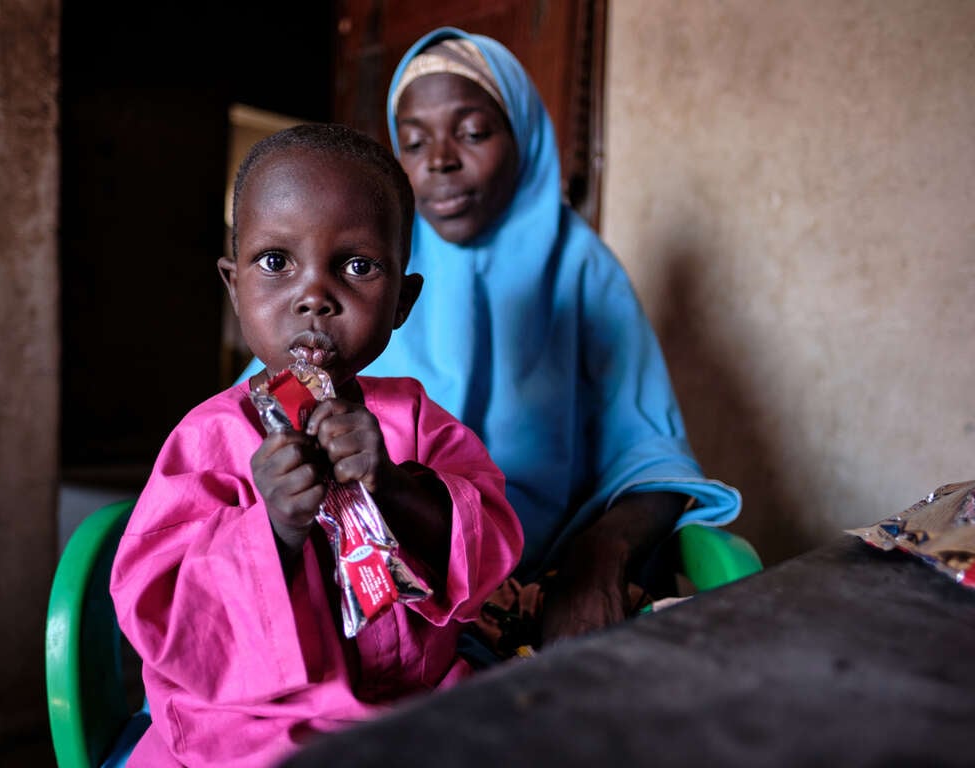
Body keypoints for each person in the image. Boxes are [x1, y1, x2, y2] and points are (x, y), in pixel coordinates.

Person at [238, 27, 742, 662]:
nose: (440, 161)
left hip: (533, 580)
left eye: (472, 133)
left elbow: (652, 459)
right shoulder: (351, 270)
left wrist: (595, 560)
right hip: (382, 595)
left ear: (524, 139)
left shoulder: (582, 274)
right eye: (413, 143)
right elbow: (240, 454)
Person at [110, 123, 523, 767]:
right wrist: (272, 529)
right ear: (233, 284)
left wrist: (394, 484)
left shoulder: (416, 420)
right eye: (276, 262)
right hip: (251, 734)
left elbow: (489, 543)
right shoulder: (207, 439)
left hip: (416, 713)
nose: (313, 297)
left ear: (402, 301)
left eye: (357, 266)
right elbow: (163, 609)